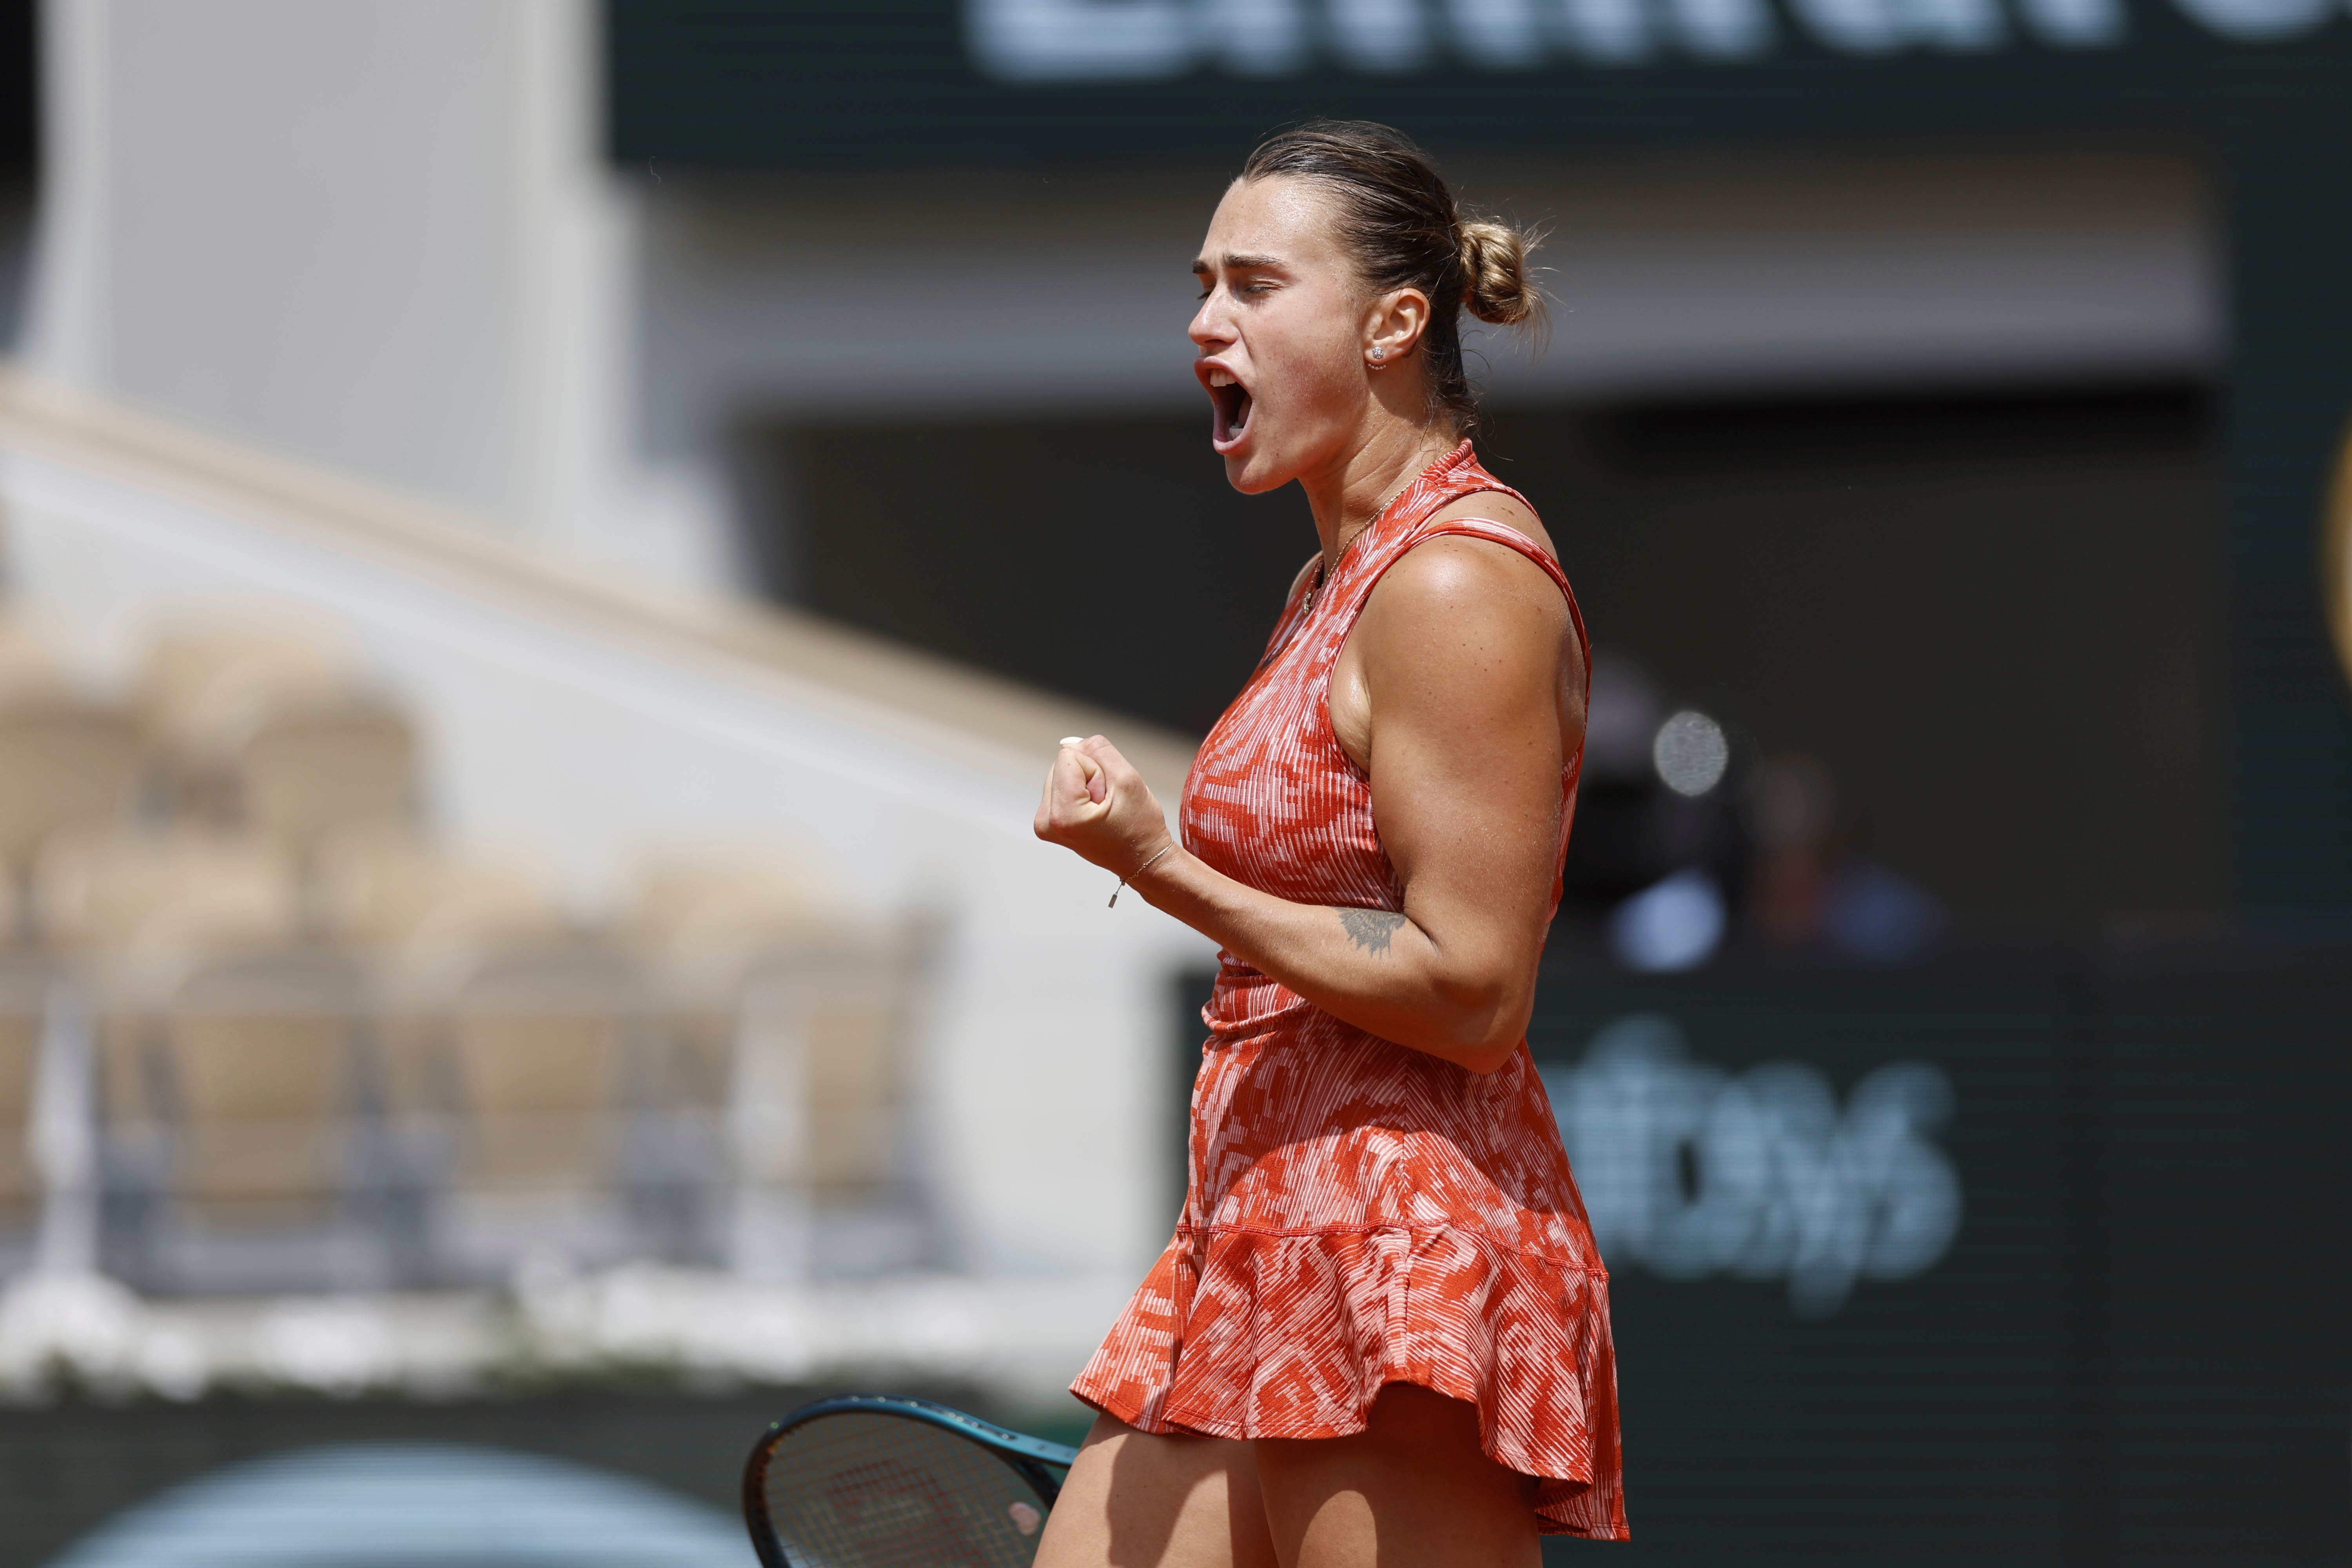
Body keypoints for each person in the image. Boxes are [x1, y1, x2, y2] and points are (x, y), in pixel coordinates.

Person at [1033, 120, 1626, 1567]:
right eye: (1201, 283)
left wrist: (1161, 868)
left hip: (1398, 1242)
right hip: (1249, 1228)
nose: (1203, 323)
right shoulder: (1333, 580)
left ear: (1393, 324)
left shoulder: (1454, 587)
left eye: (1252, 285)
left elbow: (1475, 991)